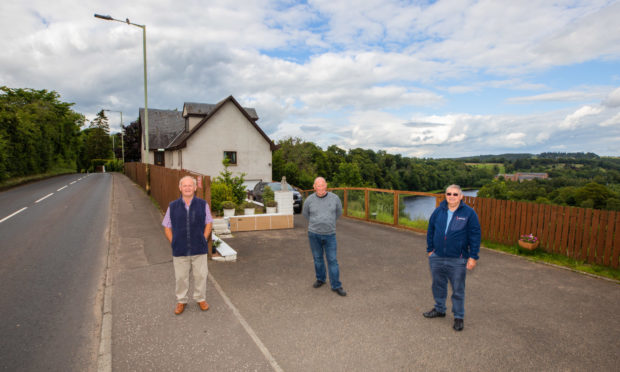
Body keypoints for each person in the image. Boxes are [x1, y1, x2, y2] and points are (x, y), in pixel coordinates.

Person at [423, 184, 480, 331]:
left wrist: (473, 257)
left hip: (458, 259)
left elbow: (475, 235)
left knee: (458, 289)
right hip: (437, 257)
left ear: (461, 196)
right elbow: (430, 230)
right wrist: (430, 250)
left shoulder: (469, 213)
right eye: (449, 194)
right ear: (445, 195)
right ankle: (440, 309)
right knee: (438, 285)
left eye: (455, 194)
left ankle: (459, 316)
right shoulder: (438, 211)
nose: (452, 197)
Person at [162, 176, 213, 315]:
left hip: (199, 248)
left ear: (195, 188)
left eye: (190, 185)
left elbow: (209, 222)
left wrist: (204, 238)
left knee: (201, 276)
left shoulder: (203, 204)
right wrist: (173, 241)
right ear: (180, 188)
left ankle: (200, 298)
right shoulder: (172, 206)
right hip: (180, 249)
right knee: (181, 277)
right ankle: (181, 301)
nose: (188, 188)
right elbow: (167, 226)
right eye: (185, 185)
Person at [302, 177, 346, 296]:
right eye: (318, 185)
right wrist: (317, 223)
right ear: (314, 187)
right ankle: (320, 279)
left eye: (322, 185)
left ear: (326, 185)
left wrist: (328, 222)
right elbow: (305, 214)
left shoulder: (335, 198)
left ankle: (336, 285)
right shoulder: (309, 200)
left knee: (332, 260)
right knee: (317, 258)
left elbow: (339, 212)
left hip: (330, 234)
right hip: (314, 234)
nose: (320, 188)